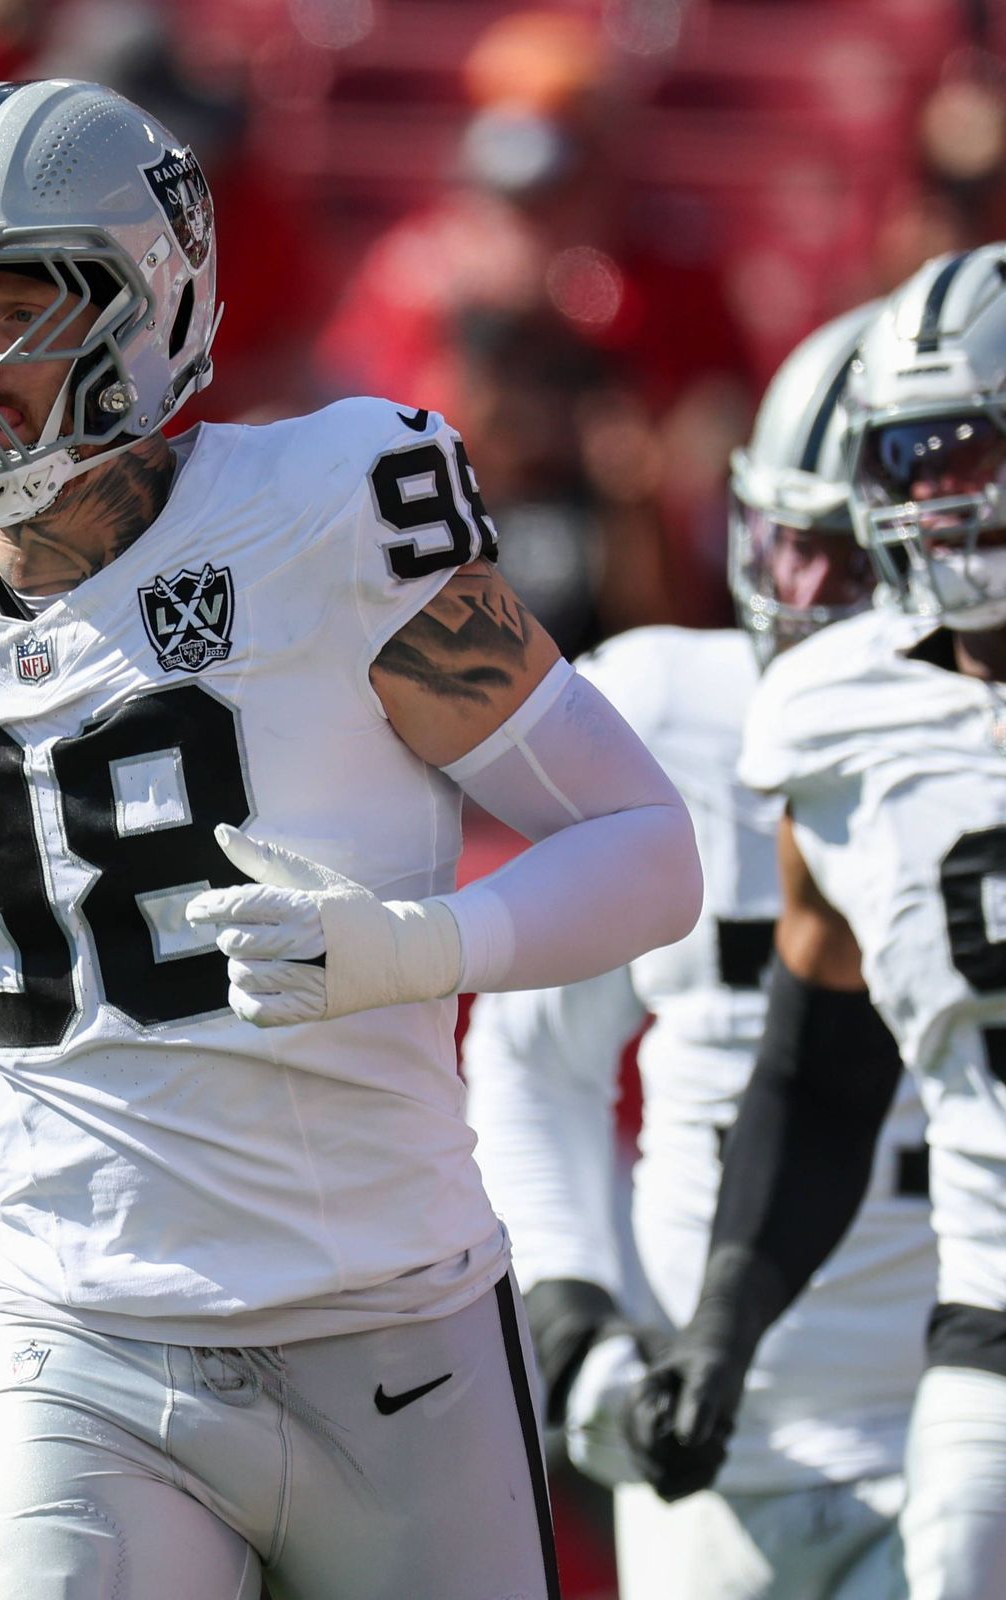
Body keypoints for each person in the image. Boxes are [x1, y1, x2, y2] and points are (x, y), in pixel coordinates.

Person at [0, 79, 702, 1600]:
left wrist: (422, 951)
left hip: (395, 1338)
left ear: (145, 307)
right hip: (77, 1344)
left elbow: (644, 844)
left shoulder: (328, 515)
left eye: (8, 304)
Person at [463, 301, 938, 1599]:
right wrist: (574, 1313)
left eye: (869, 565)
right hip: (709, 1433)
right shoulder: (667, 709)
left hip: (965, 1420)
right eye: (798, 554)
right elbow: (532, 1061)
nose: (816, 609)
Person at [620, 244, 1006, 1599]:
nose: (935, 503)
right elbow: (822, 1073)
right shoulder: (839, 714)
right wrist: (726, 1324)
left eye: (969, 452)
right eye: (912, 460)